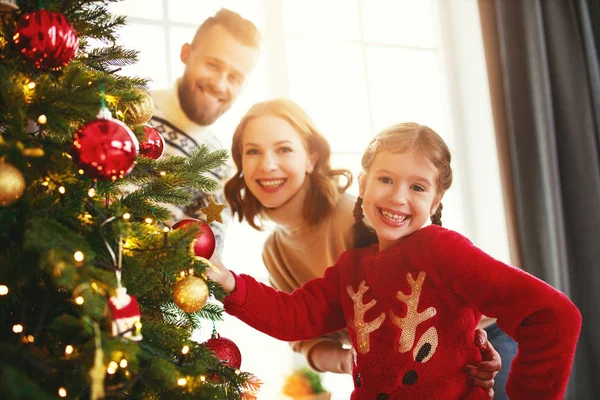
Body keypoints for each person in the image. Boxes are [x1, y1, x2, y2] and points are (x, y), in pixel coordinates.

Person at [209, 121, 582, 399]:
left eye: (417, 187)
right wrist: (230, 283)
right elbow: (294, 316)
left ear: (435, 202)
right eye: (385, 179)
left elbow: (553, 316)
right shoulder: (350, 268)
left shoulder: (444, 250)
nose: (398, 197)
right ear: (364, 183)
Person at [223, 100, 502, 394]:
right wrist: (354, 361)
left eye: (284, 149)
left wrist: (474, 345)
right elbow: (306, 339)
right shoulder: (274, 251)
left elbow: (436, 292)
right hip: (404, 367)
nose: (267, 164)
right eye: (252, 151)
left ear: (311, 159)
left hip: (471, 344)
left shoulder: (362, 220)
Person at [148, 8, 260, 253]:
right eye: (213, 64)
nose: (219, 84)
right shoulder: (132, 109)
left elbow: (206, 263)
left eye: (234, 77)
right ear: (186, 53)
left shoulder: (220, 169)